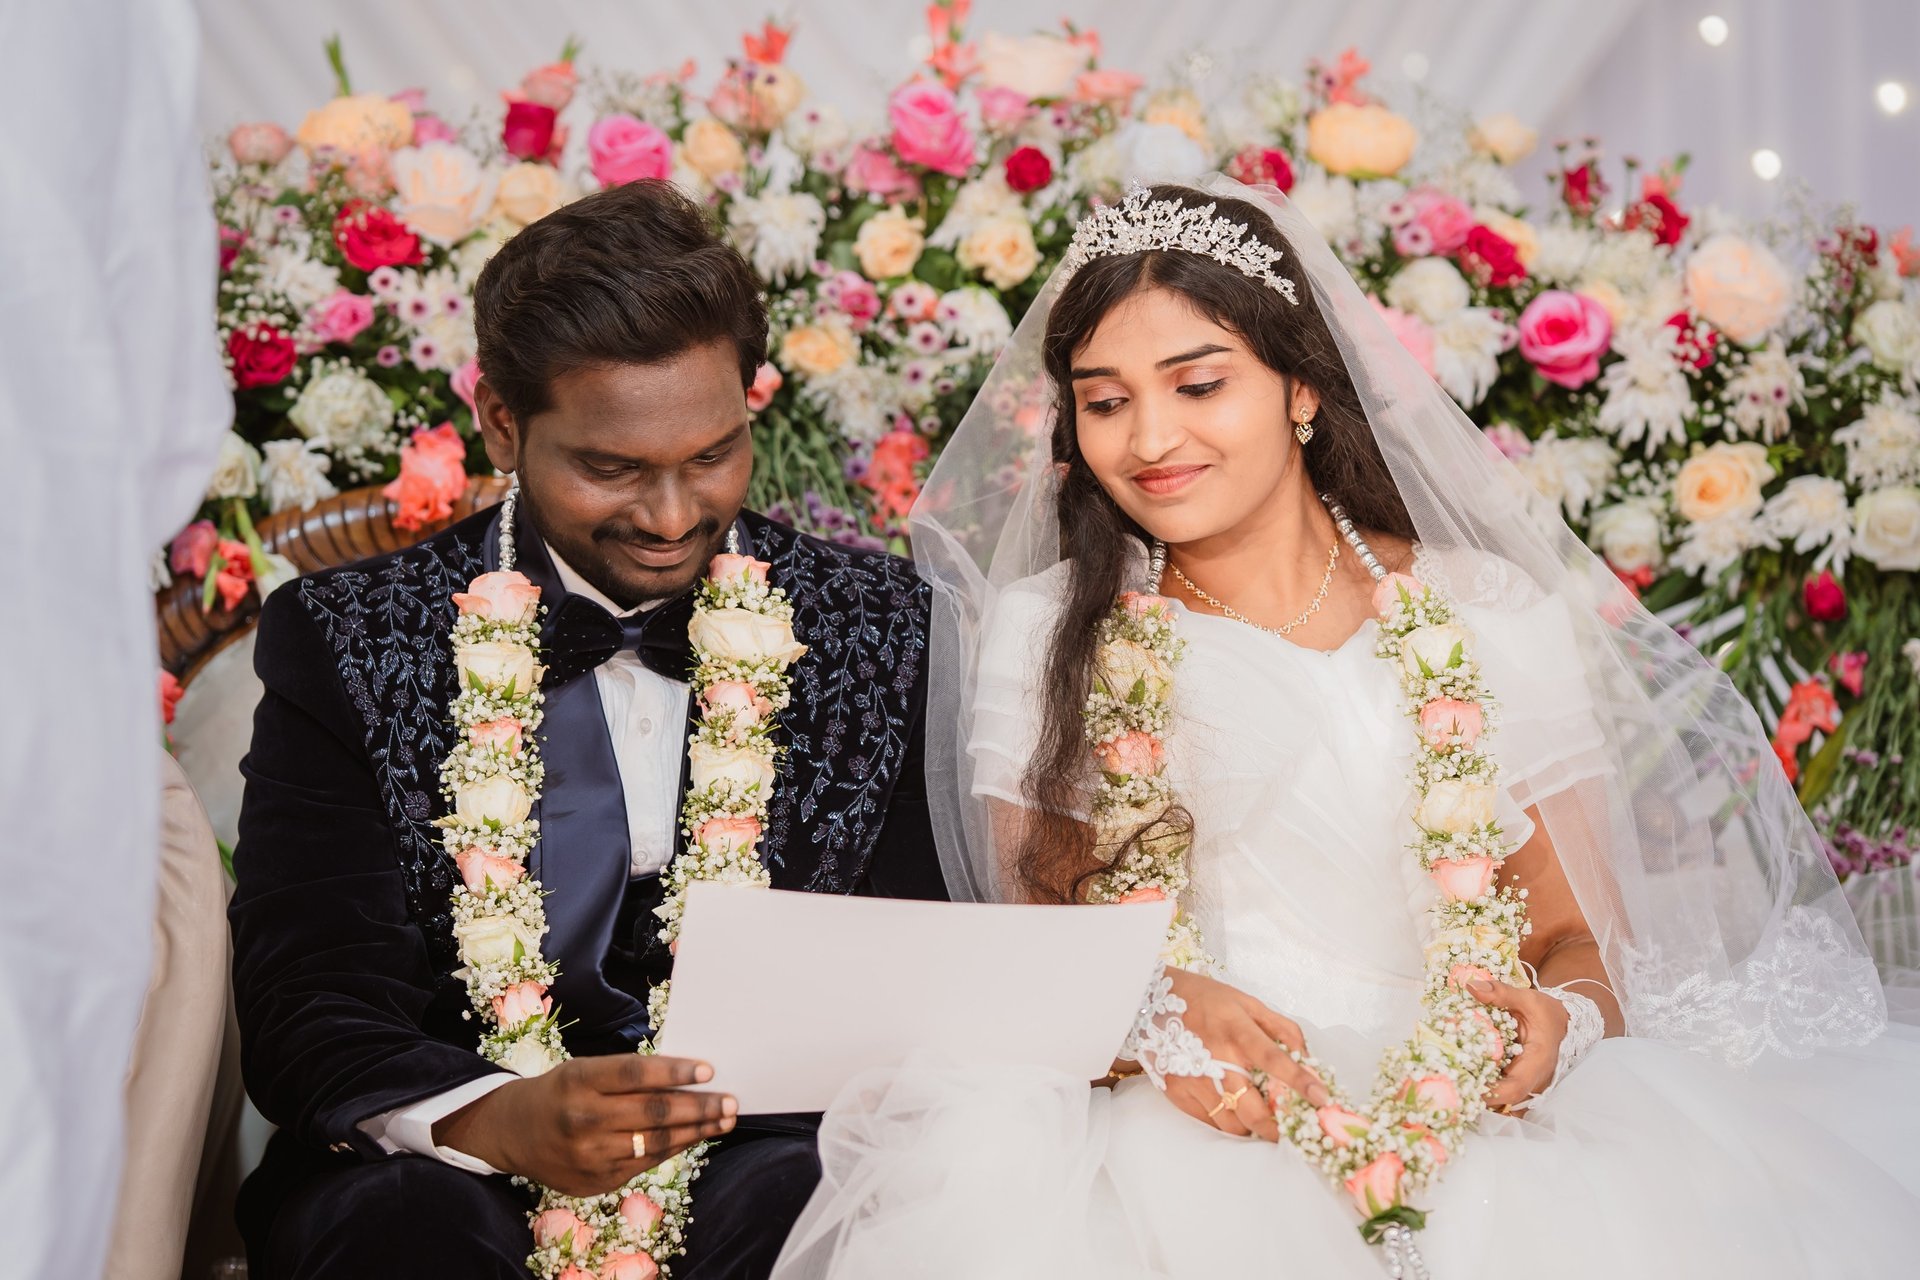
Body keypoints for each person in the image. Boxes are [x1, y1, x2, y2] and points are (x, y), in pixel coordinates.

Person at [771, 178, 1920, 1279]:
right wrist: (1157, 1014)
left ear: (1302, 389)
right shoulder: (1048, 629)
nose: (1151, 438)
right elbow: (1044, 956)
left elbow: (1580, 941)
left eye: (1198, 384)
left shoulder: (1489, 611)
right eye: (1106, 401)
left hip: (1490, 1122)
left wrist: (1560, 1022)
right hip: (1192, 1128)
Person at [229, 179, 947, 1280]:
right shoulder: (344, 636)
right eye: (611, 468)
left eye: (712, 454)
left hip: (770, 1143)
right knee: (399, 1233)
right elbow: (308, 993)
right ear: (501, 423)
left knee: (817, 1212)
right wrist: (490, 1117)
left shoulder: (882, 625)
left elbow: (915, 963)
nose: (671, 515)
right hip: (442, 1154)